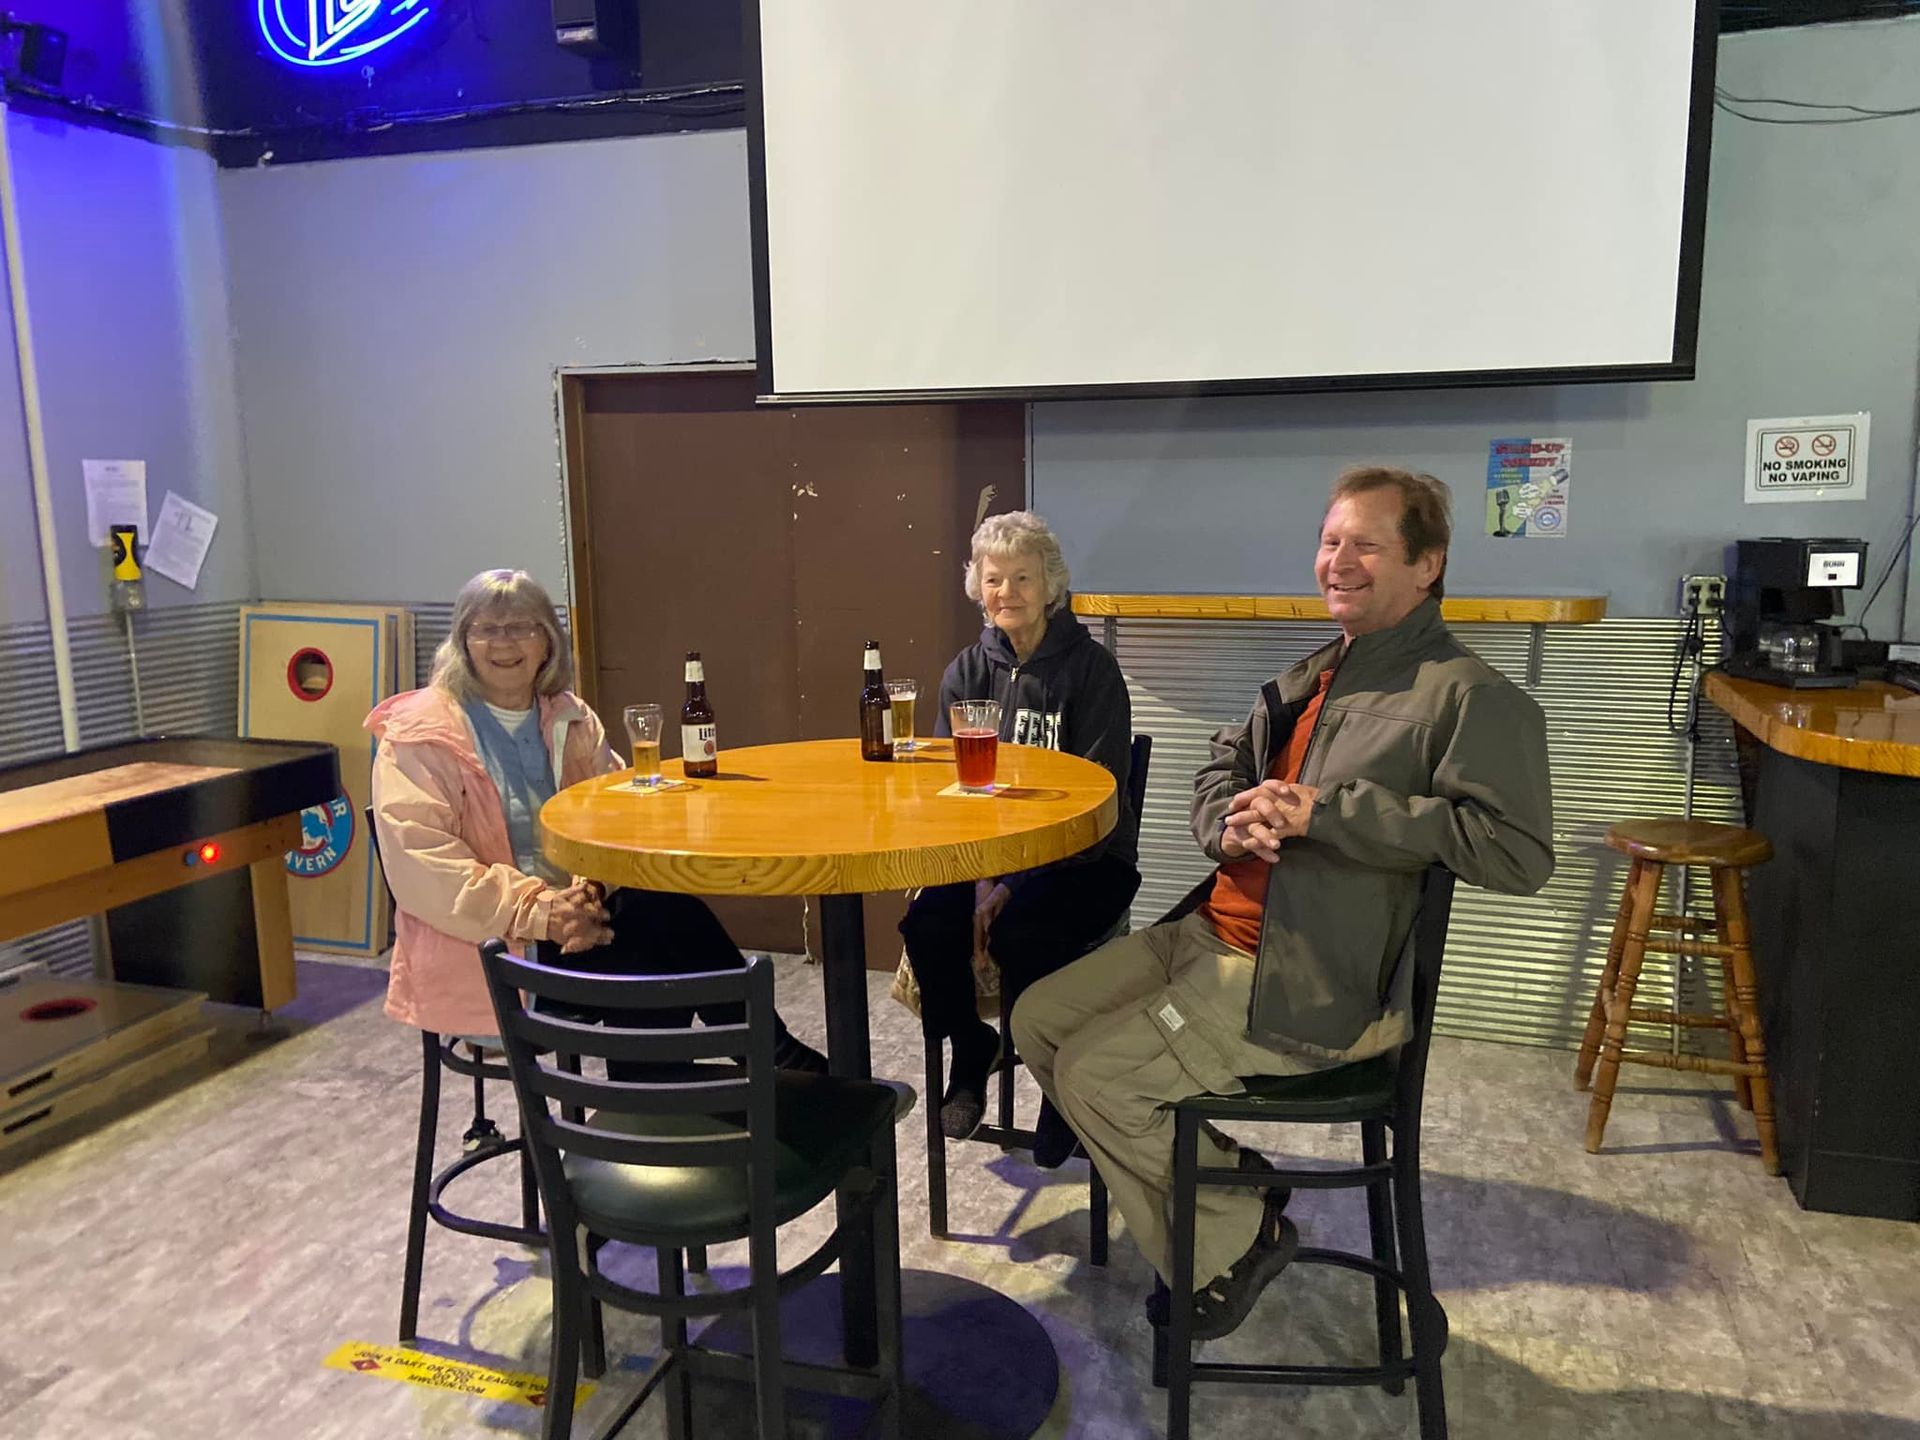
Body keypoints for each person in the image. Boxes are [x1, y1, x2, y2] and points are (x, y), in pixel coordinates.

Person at [1011, 467, 1554, 1341]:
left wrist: (1329, 814)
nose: (1338, 560)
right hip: (1208, 934)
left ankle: (1235, 1236)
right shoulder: (1312, 676)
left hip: (1308, 980)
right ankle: (1237, 1182)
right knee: (1036, 1019)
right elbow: (1215, 773)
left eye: (1366, 544)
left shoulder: (1468, 695)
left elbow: (1520, 852)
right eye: (1331, 541)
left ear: (1429, 566)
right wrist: (1230, 824)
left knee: (1096, 1078)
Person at [368, 568, 827, 1069]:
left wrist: (590, 892)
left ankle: (679, 1103)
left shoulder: (569, 716)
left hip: (583, 928)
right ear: (462, 642)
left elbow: (613, 819)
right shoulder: (419, 737)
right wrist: (544, 914)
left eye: (522, 626)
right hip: (491, 957)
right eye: (486, 629)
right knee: (656, 953)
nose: (505, 643)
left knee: (664, 912)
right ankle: (760, 1068)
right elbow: (425, 873)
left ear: (548, 641)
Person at [900, 511, 1141, 1159]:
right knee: (927, 924)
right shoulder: (965, 673)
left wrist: (1011, 885)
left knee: (1024, 930)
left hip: (1084, 861)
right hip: (986, 858)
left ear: (1051, 585)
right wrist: (981, 878)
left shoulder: (1092, 672)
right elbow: (949, 795)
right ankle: (970, 1048)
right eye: (993, 577)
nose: (1007, 591)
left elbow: (1096, 805)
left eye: (1023, 577)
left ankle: (1061, 1086)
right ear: (977, 585)